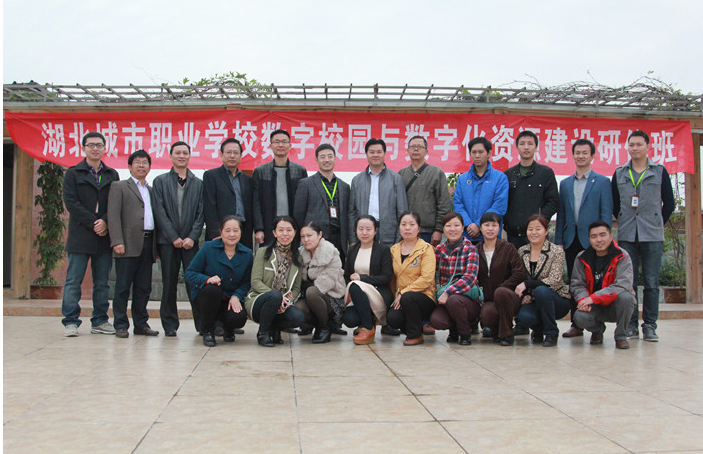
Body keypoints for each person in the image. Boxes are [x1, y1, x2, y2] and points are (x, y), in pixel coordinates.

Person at [612, 130, 675, 341]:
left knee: (651, 282)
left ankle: (649, 325)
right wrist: (624, 219)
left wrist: (656, 223)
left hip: (652, 235)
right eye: (631, 144)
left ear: (648, 146)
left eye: (639, 144)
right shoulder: (620, 173)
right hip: (627, 234)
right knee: (628, 282)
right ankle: (631, 325)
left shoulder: (659, 171)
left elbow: (669, 202)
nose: (635, 148)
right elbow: (614, 203)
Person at [61, 132, 120, 337]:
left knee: (102, 282)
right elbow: (71, 203)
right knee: (73, 280)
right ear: (83, 148)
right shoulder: (73, 173)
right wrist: (94, 222)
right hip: (80, 235)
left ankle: (100, 321)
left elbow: (115, 203)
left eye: (99, 145)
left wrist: (105, 221)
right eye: (91, 145)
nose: (95, 148)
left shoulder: (112, 174)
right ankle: (70, 321)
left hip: (103, 236)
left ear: (105, 148)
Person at [555, 138, 613, 338]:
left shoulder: (602, 182)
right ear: (573, 155)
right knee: (575, 282)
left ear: (592, 156)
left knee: (597, 283)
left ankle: (596, 326)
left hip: (595, 241)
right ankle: (577, 324)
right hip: (571, 240)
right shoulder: (565, 184)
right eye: (577, 153)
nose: (581, 156)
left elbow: (606, 213)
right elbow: (562, 214)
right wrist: (559, 240)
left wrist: (604, 239)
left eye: (584, 153)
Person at [152, 141, 204, 337]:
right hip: (168, 242)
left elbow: (201, 213)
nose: (181, 156)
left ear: (189, 156)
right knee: (169, 283)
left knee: (194, 283)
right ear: (170, 156)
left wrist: (192, 237)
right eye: (178, 153)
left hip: (191, 243)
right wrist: (173, 236)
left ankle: (201, 324)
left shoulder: (198, 183)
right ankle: (170, 325)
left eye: (185, 153)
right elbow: (159, 211)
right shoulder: (160, 181)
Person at [107, 150, 158, 338]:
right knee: (122, 287)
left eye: (145, 163)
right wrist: (117, 241)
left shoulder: (152, 190)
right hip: (127, 244)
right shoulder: (119, 186)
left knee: (143, 288)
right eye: (137, 162)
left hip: (148, 243)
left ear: (150, 167)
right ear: (129, 166)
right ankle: (120, 324)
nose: (141, 166)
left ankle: (141, 324)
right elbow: (113, 215)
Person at [184, 216, 251, 347]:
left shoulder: (247, 253)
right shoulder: (208, 248)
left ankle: (228, 328)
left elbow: (247, 282)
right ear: (221, 232)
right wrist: (207, 279)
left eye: (235, 230)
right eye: (227, 230)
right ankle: (208, 331)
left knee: (238, 317)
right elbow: (190, 273)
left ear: (240, 232)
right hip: (207, 298)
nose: (232, 234)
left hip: (229, 299)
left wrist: (237, 296)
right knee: (212, 289)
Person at [571, 221, 636, 350]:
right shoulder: (582, 258)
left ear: (611, 237)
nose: (599, 240)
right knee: (579, 317)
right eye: (594, 236)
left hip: (615, 305)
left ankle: (620, 337)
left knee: (627, 298)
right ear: (589, 239)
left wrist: (593, 298)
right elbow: (577, 284)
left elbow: (623, 285)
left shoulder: (622, 256)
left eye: (602, 235)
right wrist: (584, 300)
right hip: (594, 306)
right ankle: (598, 331)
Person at [244, 216, 306, 347]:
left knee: (299, 318)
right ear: (274, 233)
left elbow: (296, 288)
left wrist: (286, 300)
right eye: (281, 230)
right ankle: (263, 333)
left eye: (289, 230)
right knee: (275, 296)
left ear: (294, 233)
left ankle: (274, 328)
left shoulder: (298, 258)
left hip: (283, 303)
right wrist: (277, 297)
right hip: (259, 300)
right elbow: (255, 282)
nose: (285, 234)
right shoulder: (263, 252)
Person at [514, 214, 571, 347]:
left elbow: (554, 280)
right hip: (534, 299)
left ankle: (551, 332)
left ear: (546, 231)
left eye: (538, 229)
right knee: (524, 317)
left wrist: (528, 284)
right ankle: (538, 329)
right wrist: (526, 293)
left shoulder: (556, 251)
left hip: (556, 298)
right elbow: (520, 277)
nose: (534, 232)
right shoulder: (522, 251)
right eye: (530, 229)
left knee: (541, 291)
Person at [429, 212, 481, 346]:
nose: (452, 229)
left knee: (454, 300)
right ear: (443, 229)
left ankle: (465, 333)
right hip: (445, 299)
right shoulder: (439, 250)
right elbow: (432, 274)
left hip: (467, 300)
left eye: (456, 225)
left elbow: (470, 277)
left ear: (463, 228)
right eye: (448, 226)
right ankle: (454, 329)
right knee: (436, 321)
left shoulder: (470, 249)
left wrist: (448, 292)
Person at [476, 212, 527, 346]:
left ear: (499, 228)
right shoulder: (475, 250)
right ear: (480, 228)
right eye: (486, 225)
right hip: (488, 299)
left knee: (501, 293)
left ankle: (507, 334)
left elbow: (519, 273)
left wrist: (503, 286)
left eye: (494, 225)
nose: (490, 229)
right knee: (487, 315)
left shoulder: (508, 248)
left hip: (509, 295)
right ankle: (496, 330)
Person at [293, 143, 350, 262]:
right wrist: (308, 235)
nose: (326, 160)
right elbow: (298, 215)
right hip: (316, 239)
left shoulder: (344, 187)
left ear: (335, 158)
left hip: (339, 239)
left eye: (330, 156)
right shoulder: (306, 184)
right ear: (316, 160)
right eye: (322, 157)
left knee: (337, 270)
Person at [342, 215, 394, 345]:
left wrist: (362, 278)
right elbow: (347, 276)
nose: (364, 232)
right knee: (349, 319)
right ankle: (368, 320)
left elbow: (386, 277)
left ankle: (368, 328)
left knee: (355, 285)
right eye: (361, 229)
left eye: (368, 229)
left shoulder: (383, 250)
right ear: (356, 230)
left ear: (375, 231)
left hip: (378, 293)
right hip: (358, 296)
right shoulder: (352, 250)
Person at [387, 212, 437, 345]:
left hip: (424, 296)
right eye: (403, 224)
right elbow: (392, 279)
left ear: (418, 228)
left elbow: (427, 278)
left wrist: (404, 292)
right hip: (402, 297)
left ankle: (415, 335)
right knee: (392, 318)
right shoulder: (394, 250)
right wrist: (395, 296)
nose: (407, 228)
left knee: (408, 298)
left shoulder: (426, 249)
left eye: (411, 224)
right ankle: (413, 328)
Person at [348, 138, 408, 248]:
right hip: (364, 233)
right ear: (366, 155)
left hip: (388, 235)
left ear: (384, 154)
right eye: (372, 152)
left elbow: (402, 212)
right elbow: (352, 213)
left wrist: (399, 240)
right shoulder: (357, 180)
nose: (375, 155)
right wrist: (352, 239)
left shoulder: (396, 179)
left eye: (379, 152)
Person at [504, 130, 559, 249]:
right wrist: (508, 222)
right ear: (517, 147)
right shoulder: (508, 174)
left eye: (530, 143)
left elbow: (553, 202)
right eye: (522, 144)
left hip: (536, 235)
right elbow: (503, 202)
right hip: (513, 235)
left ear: (536, 147)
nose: (526, 147)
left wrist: (539, 221)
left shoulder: (545, 173)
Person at [252, 129, 308, 245]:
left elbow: (305, 202)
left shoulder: (300, 171)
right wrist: (259, 229)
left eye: (284, 142)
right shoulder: (260, 171)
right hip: (268, 226)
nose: (280, 145)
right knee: (269, 255)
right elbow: (256, 202)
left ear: (290, 145)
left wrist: (304, 227)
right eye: (276, 142)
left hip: (293, 227)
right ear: (270, 146)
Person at [296, 222, 347, 343]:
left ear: (319, 235)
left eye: (309, 235)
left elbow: (328, 280)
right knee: (298, 308)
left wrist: (309, 287)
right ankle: (317, 324)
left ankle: (325, 327)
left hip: (332, 298)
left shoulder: (330, 251)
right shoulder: (300, 253)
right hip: (310, 296)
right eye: (303, 236)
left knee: (312, 292)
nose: (306, 239)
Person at [398, 135, 452, 246]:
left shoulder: (435, 172)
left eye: (419, 146)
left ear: (426, 151)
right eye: (413, 146)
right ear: (407, 151)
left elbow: (444, 203)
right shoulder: (401, 174)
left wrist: (438, 229)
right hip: (406, 230)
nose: (416, 149)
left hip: (428, 232)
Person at [453, 137, 509, 243]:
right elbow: (457, 204)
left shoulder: (500, 178)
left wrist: (479, 224)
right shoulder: (463, 179)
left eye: (481, 152)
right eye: (474, 152)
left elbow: (499, 206)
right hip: (466, 236)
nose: (477, 155)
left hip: (490, 237)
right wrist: (469, 224)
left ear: (489, 153)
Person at [203, 138, 255, 249]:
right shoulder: (211, 176)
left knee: (243, 258)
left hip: (243, 230)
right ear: (221, 154)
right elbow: (209, 206)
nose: (232, 156)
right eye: (228, 152)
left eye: (236, 153)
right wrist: (215, 232)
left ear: (240, 156)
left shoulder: (247, 179)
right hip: (222, 231)